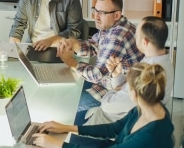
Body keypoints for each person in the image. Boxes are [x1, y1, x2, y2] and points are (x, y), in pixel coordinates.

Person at [32, 63, 174, 148]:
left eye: (127, 87)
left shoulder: (149, 136)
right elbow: (114, 128)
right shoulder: (147, 108)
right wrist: (67, 127)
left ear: (135, 94)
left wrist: (59, 145)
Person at [57, 0, 144, 123]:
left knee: (66, 105)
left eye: (101, 13)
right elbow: (94, 46)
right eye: (95, 10)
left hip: (115, 91)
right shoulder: (112, 24)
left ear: (116, 15)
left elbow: (97, 74)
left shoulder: (117, 36)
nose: (96, 16)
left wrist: (70, 62)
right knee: (65, 86)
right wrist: (74, 44)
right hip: (106, 80)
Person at [84, 16, 174, 125]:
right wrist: (116, 76)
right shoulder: (160, 60)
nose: (134, 36)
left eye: (136, 34)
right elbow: (126, 92)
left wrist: (114, 90)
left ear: (144, 42)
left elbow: (108, 105)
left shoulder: (150, 73)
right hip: (119, 114)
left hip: (114, 123)